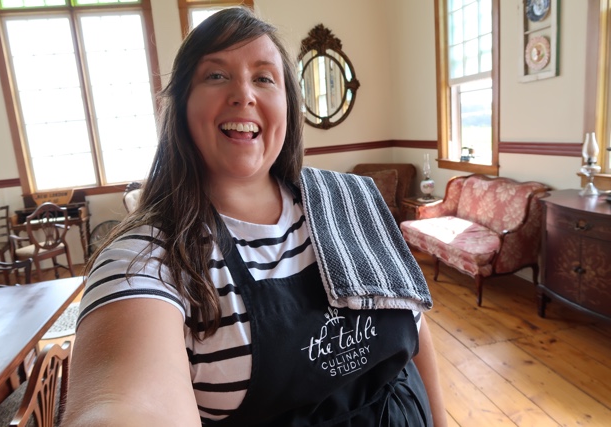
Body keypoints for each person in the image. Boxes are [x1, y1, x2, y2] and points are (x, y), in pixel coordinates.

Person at [62, 7, 447, 427]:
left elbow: (414, 329)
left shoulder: (352, 201)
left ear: (288, 105)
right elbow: (124, 403)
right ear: (182, 107)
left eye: (264, 78)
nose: (243, 94)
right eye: (215, 75)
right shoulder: (148, 257)